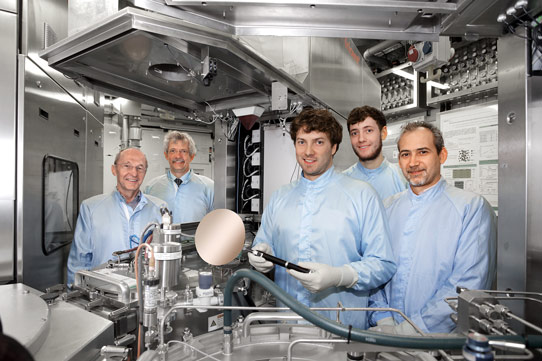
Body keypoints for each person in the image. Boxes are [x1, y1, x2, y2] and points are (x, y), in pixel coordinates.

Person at [248, 109, 396, 329]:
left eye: (318, 142)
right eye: (301, 142)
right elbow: (263, 245)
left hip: (342, 329)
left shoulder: (362, 195)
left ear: (334, 147)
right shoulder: (280, 197)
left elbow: (383, 264)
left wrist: (340, 276)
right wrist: (262, 257)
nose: (308, 151)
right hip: (288, 326)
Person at [369, 121, 497, 334]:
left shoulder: (471, 207)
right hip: (386, 339)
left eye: (422, 152)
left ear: (442, 155)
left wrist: (410, 331)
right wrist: (384, 320)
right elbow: (375, 269)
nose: (413, 162)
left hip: (441, 342)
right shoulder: (387, 207)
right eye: (405, 154)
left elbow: (467, 285)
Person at [67, 148, 166, 285]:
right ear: (114, 169)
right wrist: (74, 294)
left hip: (147, 291)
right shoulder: (91, 208)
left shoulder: (160, 208)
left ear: (145, 173)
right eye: (127, 166)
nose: (134, 173)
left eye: (140, 168)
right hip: (102, 294)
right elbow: (79, 261)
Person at [145, 131, 214, 223]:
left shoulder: (209, 187)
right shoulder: (151, 188)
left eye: (183, 151)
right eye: (173, 151)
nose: (178, 156)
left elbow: (217, 224)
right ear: (166, 155)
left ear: (191, 156)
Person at [343, 106, 407, 199]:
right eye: (355, 133)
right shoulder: (342, 181)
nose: (361, 139)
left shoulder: (403, 178)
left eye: (368, 130)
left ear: (383, 133)